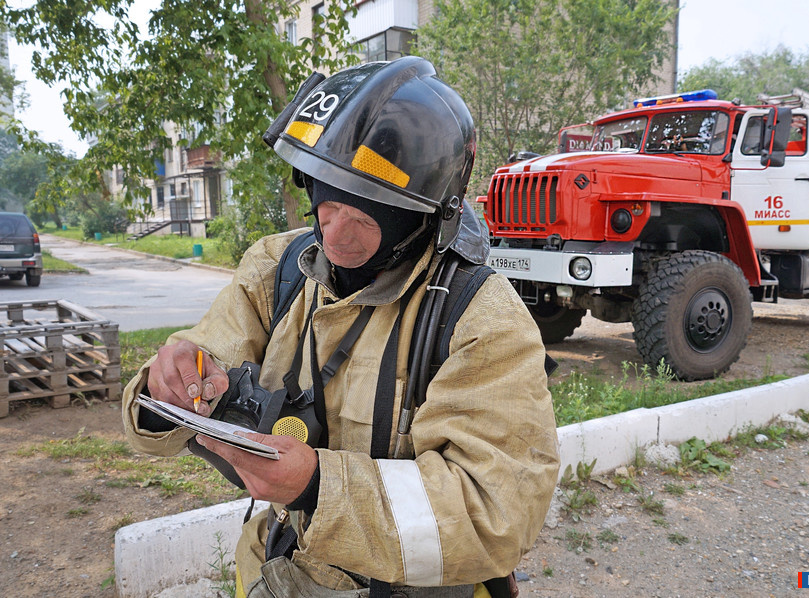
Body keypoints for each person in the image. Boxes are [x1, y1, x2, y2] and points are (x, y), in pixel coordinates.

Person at [121, 56, 560, 598]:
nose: (335, 238)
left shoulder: (480, 320)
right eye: (326, 208)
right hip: (270, 569)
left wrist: (318, 487)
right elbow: (201, 359)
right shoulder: (275, 270)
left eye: (366, 217)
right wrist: (164, 389)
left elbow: (496, 512)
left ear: (422, 217)